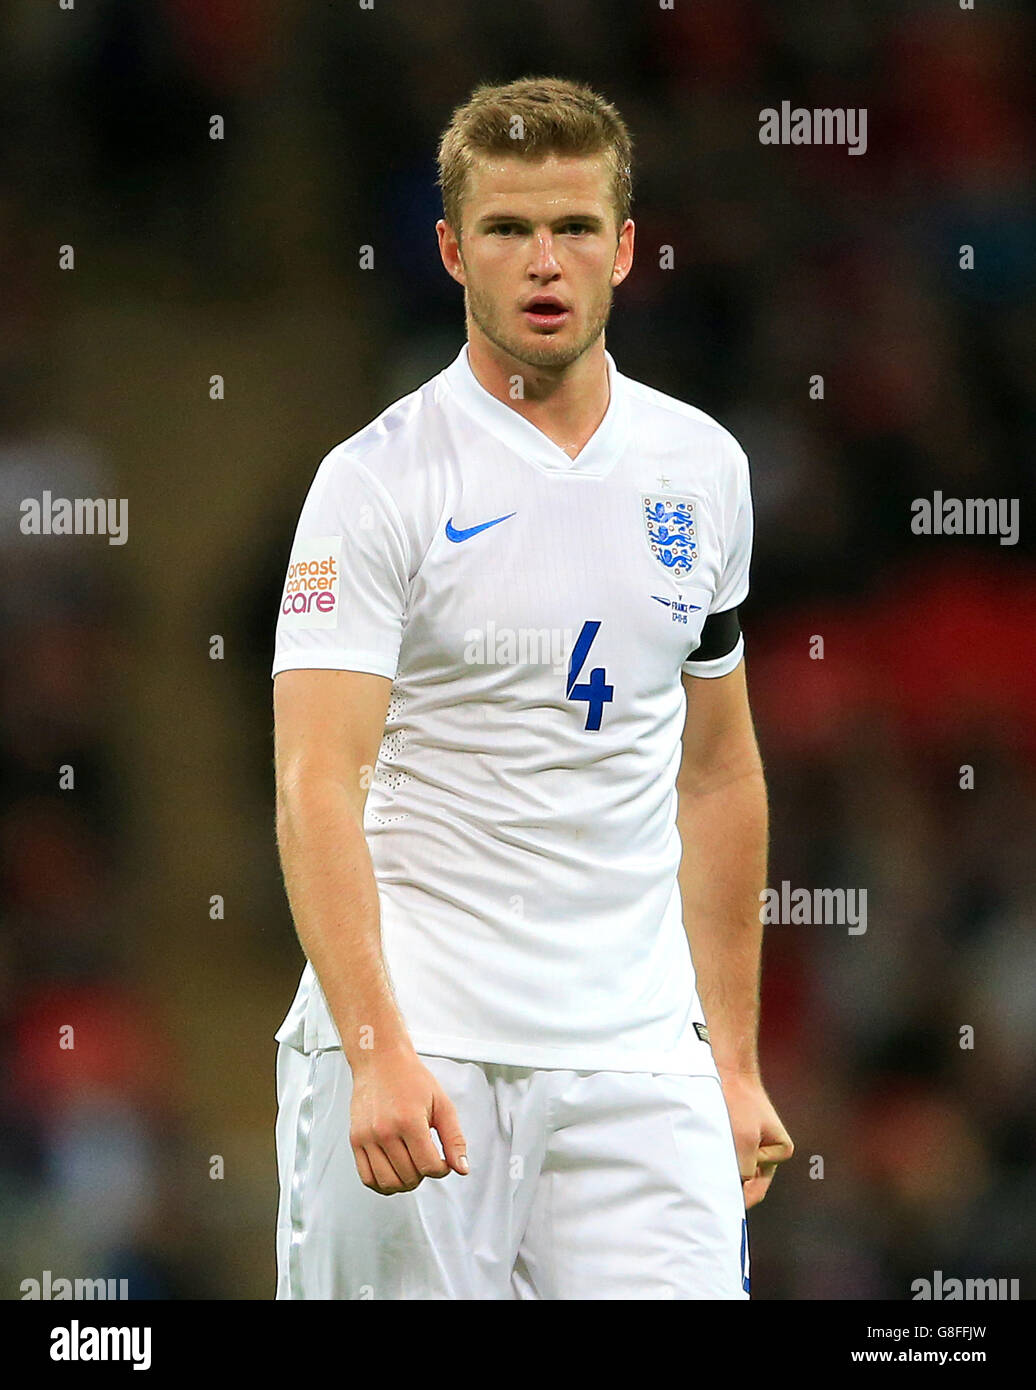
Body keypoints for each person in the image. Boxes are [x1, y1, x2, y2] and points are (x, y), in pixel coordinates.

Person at [272, 74, 792, 1300]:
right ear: (454, 251)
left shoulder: (702, 468)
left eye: (570, 228)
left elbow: (716, 770)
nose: (542, 261)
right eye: (507, 230)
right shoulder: (376, 483)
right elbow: (314, 780)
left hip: (637, 1066)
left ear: (624, 246)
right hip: (427, 1049)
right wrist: (376, 1051)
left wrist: (730, 1060)